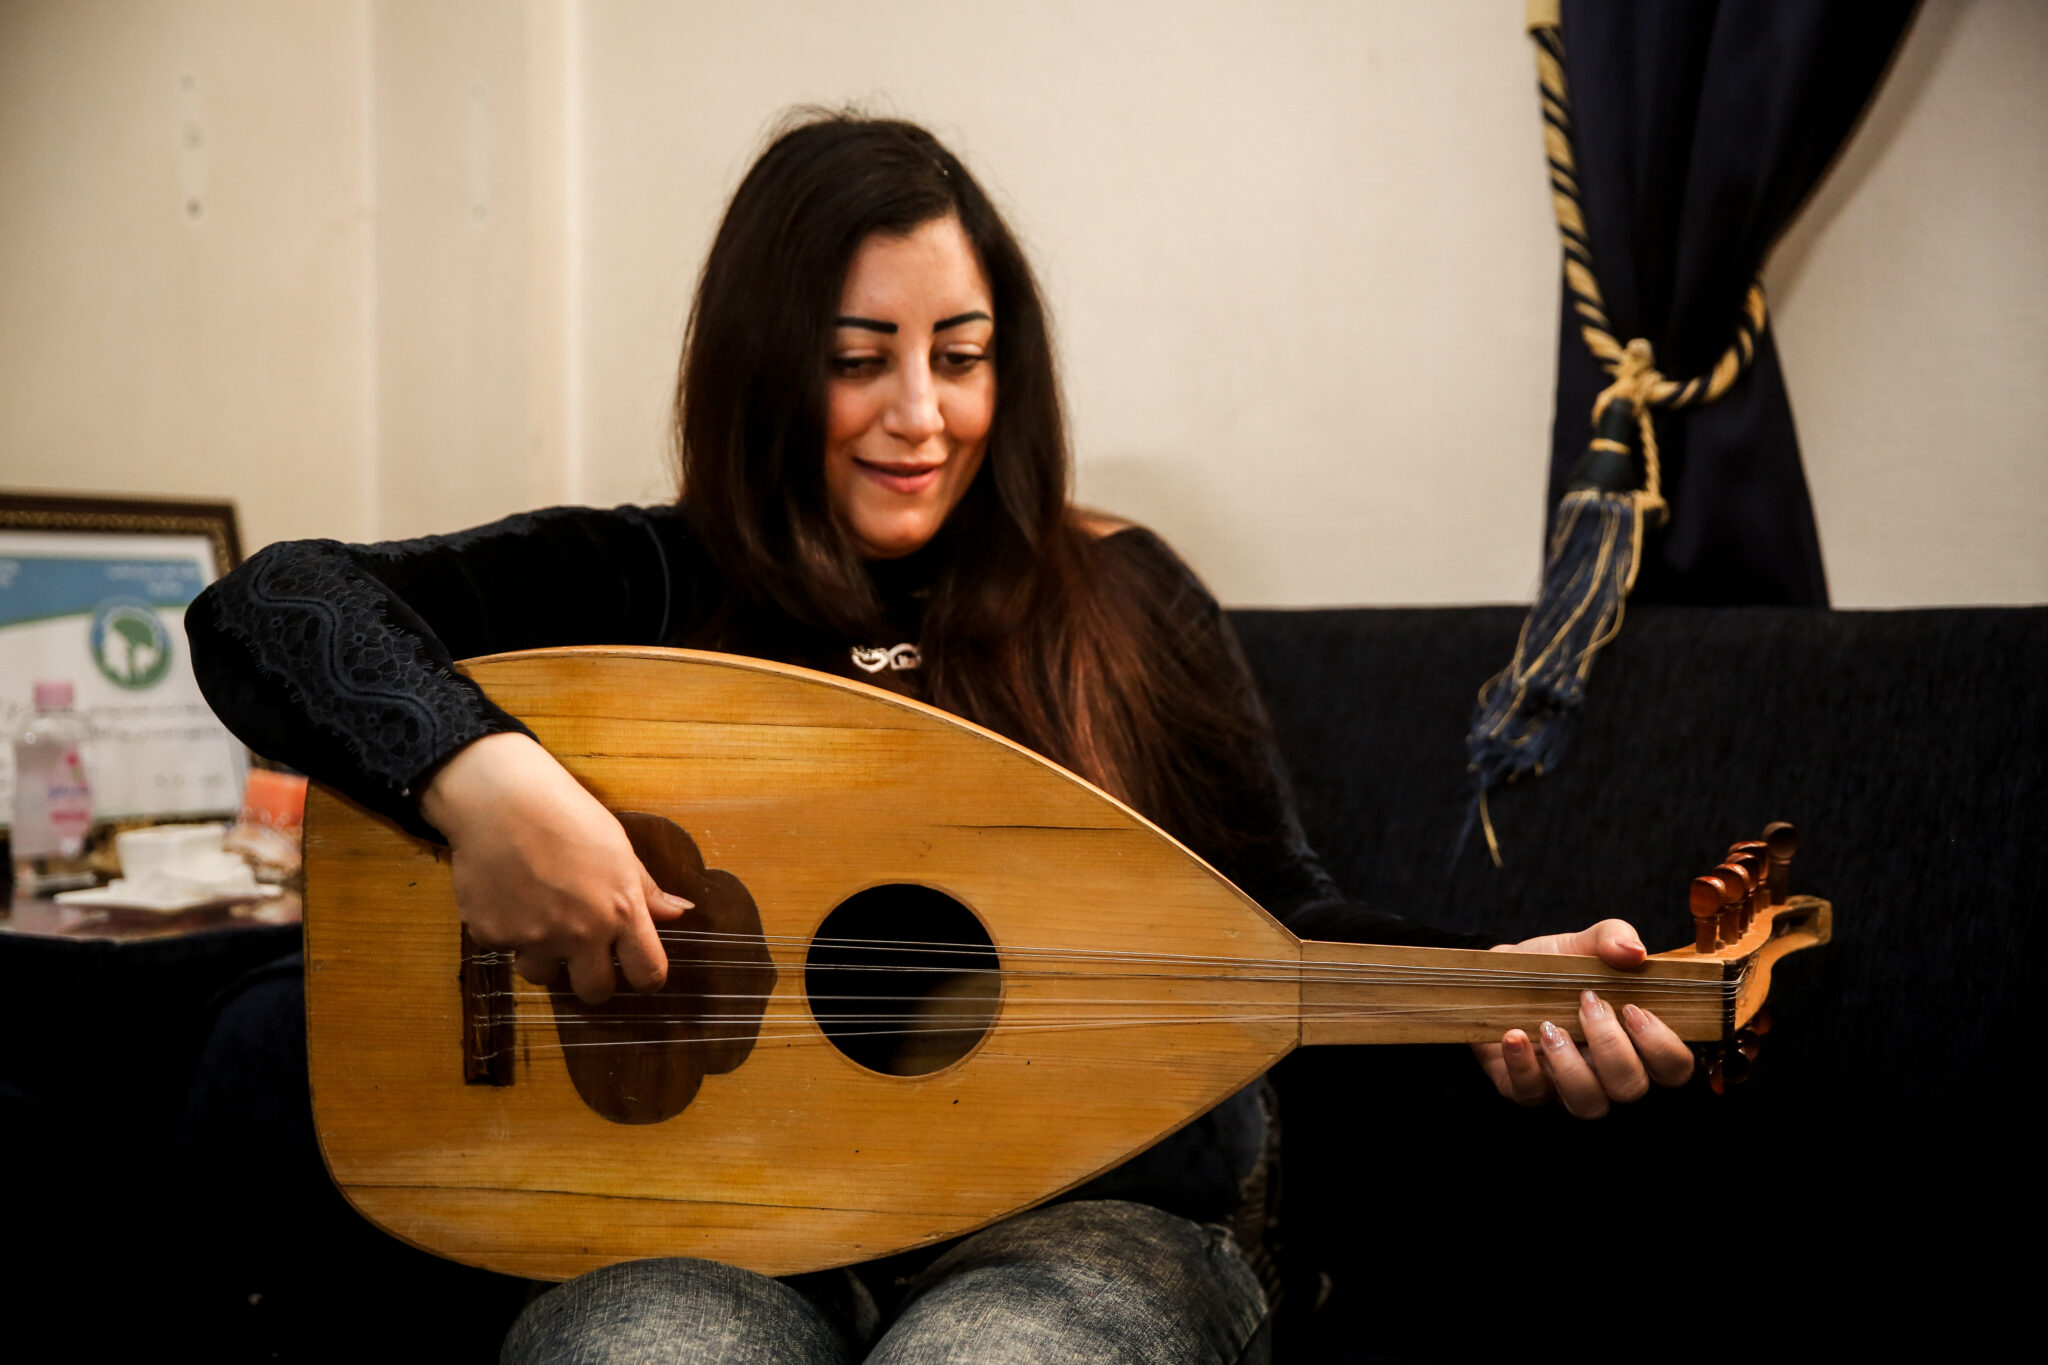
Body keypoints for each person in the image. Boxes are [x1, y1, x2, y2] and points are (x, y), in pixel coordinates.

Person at [187, 113, 1694, 1364]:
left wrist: (1485, 991)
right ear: (767, 365)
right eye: (860, 356)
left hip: (1093, 1218)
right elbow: (268, 606)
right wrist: (488, 783)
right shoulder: (646, 580)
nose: (920, 413)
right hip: (708, 1214)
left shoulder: (1122, 597)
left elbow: (1271, 924)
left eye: (960, 355)